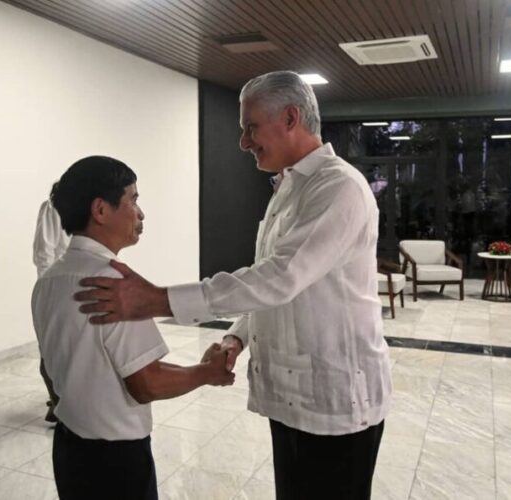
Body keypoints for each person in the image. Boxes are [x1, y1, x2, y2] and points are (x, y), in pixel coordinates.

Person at [74, 72, 392, 500]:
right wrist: (237, 336)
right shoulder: (289, 189)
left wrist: (157, 299)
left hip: (335, 403)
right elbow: (276, 283)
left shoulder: (338, 187)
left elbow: (280, 279)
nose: (244, 142)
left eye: (250, 127)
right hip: (296, 400)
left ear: (291, 118)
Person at [31, 156, 234, 500]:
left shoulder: (48, 281)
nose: (141, 214)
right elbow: (146, 383)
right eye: (133, 200)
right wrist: (206, 373)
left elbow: (51, 372)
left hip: (68, 452)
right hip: (115, 466)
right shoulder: (114, 287)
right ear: (100, 210)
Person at [33, 196, 71, 422]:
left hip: (79, 286)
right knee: (49, 350)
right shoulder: (54, 206)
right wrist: (49, 290)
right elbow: (43, 253)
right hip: (56, 288)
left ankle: (63, 401)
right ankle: (57, 404)